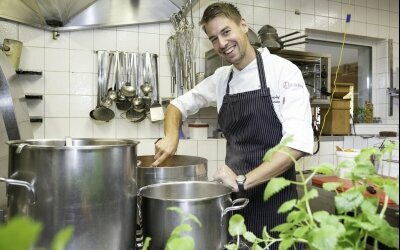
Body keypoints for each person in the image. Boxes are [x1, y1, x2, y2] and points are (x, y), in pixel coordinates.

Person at [153, 1, 313, 246]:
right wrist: (171, 135)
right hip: (235, 206)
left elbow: (297, 145)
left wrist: (243, 181)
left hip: (278, 207)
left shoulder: (283, 72)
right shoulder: (221, 79)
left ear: (243, 26)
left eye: (226, 32)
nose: (222, 44)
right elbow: (177, 106)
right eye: (214, 38)